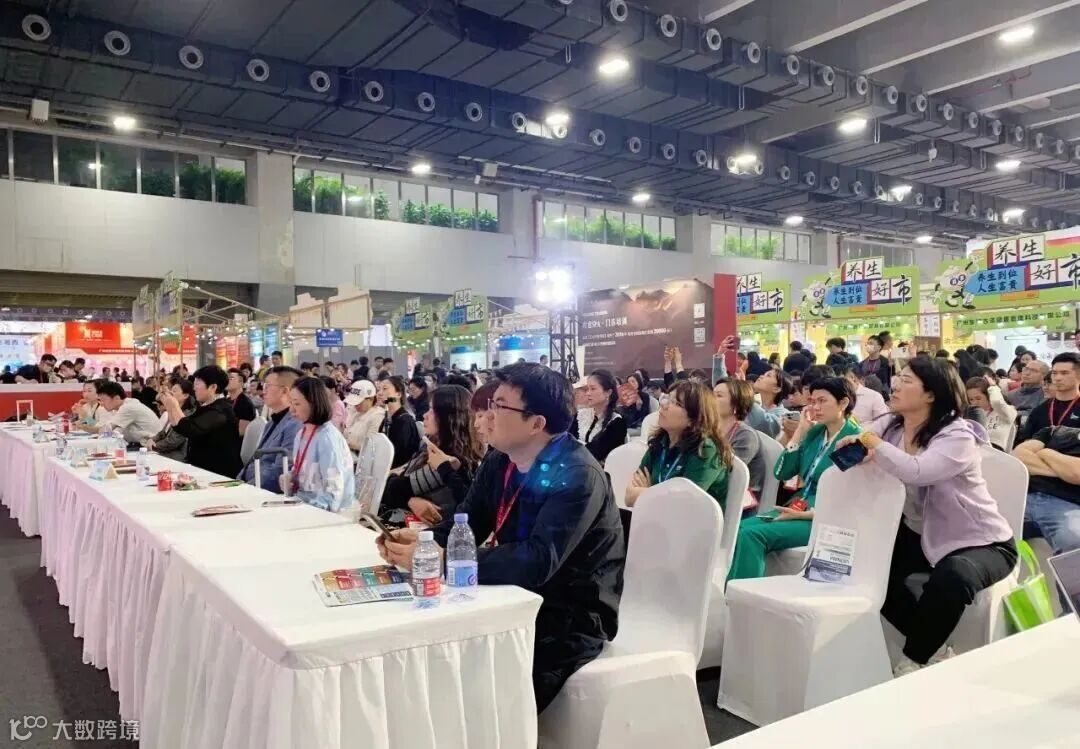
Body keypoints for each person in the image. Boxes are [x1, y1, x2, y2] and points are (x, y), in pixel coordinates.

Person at [377, 363, 624, 713]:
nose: (487, 416)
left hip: (568, 614)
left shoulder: (577, 475)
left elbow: (538, 560)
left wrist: (447, 561)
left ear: (536, 423)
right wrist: (424, 542)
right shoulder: (500, 460)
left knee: (482, 694)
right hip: (512, 594)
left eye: (499, 406)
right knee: (427, 653)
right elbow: (467, 523)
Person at [842, 357, 1016, 675]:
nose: (896, 385)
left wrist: (872, 443)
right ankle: (935, 648)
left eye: (907, 380)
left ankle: (914, 660)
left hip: (981, 542)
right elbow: (864, 437)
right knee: (866, 570)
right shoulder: (891, 424)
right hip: (919, 534)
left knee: (954, 576)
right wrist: (855, 445)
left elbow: (918, 471)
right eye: (898, 378)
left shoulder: (957, 435)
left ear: (932, 394)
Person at [728, 377, 862, 582]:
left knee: (752, 534)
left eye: (822, 401)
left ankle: (743, 593)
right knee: (741, 528)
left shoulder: (854, 440)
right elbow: (781, 473)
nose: (815, 407)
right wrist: (799, 432)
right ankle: (736, 590)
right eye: (813, 401)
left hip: (826, 516)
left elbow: (851, 496)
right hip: (799, 505)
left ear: (843, 403)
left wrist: (811, 514)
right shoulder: (816, 433)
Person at [379, 384, 485, 524]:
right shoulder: (432, 445)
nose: (425, 415)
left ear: (449, 417)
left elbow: (390, 488)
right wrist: (410, 499)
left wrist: (397, 484)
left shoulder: (449, 458)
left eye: (432, 410)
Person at [625, 380, 733, 508]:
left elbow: (682, 505)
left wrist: (648, 491)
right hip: (656, 517)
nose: (664, 404)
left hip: (694, 520)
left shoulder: (705, 449)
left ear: (694, 420)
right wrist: (661, 496)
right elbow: (629, 497)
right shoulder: (661, 441)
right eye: (667, 398)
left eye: (676, 403)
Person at [284, 377, 355, 512]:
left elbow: (334, 492)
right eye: (291, 403)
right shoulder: (301, 434)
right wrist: (291, 478)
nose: (291, 410)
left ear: (314, 403)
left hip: (327, 512)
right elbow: (303, 471)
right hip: (304, 503)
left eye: (297, 404)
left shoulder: (327, 439)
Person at [159, 365, 243, 478]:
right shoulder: (205, 406)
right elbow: (181, 427)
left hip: (219, 474)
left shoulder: (221, 410)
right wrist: (169, 405)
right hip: (202, 469)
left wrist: (174, 405)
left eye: (198, 384)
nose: (194, 388)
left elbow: (190, 429)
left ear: (213, 387)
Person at [1014, 424, 1080, 563]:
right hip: (1023, 497)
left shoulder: (1049, 440)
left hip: (1069, 506)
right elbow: (1018, 456)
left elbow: (1076, 473)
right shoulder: (1053, 431)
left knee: (1074, 540)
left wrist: (1046, 453)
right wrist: (1061, 472)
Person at [239, 366, 302, 491]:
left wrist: (247, 488)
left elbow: (281, 470)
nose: (264, 391)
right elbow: (255, 460)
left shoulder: (295, 424)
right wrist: (239, 482)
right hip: (252, 484)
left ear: (285, 391)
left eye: (267, 386)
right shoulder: (272, 422)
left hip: (265, 491)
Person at [714, 378, 765, 500]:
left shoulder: (745, 436)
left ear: (736, 404)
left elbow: (726, 475)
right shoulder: (709, 428)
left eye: (718, 395)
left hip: (737, 501)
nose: (710, 399)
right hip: (715, 493)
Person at [1016, 353, 1080, 443]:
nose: (1058, 378)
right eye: (1054, 373)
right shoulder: (1039, 410)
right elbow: (1027, 441)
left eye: (1064, 373)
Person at [569, 369, 627, 465]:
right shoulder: (580, 415)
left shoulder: (617, 422)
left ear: (608, 392)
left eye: (593, 389)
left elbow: (596, 453)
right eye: (587, 389)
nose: (588, 393)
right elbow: (567, 440)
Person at [90, 380, 161, 444]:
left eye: (89, 390)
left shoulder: (125, 407)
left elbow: (102, 427)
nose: (85, 394)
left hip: (149, 443)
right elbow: (99, 425)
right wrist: (85, 420)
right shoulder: (90, 406)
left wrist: (85, 420)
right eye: (84, 390)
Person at [146, 377, 196, 462]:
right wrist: (152, 440)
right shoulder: (172, 410)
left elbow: (174, 441)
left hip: (177, 456)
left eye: (175, 391)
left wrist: (154, 446)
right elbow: (163, 432)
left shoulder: (187, 415)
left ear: (185, 395)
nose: (171, 393)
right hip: (166, 452)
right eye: (171, 390)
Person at [965, 376, 1018, 450]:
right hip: (976, 452)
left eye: (978, 398)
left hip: (997, 453)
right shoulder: (972, 414)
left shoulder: (1008, 411)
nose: (975, 403)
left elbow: (997, 402)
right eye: (971, 399)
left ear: (988, 395)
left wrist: (993, 387)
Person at [379, 376, 420, 468]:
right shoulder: (387, 417)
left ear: (398, 394)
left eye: (385, 389)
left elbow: (402, 458)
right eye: (379, 389)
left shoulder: (405, 422)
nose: (380, 393)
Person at [748, 365, 793, 438]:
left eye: (768, 375)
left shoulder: (782, 415)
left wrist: (745, 395)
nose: (761, 376)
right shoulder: (757, 404)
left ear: (777, 389)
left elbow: (763, 423)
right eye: (764, 374)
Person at [344, 379, 385, 454]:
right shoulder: (354, 410)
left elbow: (370, 446)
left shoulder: (377, 415)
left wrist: (346, 444)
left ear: (371, 399)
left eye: (359, 402)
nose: (355, 405)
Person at [226, 368, 257, 436]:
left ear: (241, 383)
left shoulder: (245, 404)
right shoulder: (226, 401)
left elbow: (241, 432)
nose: (227, 381)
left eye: (230, 378)